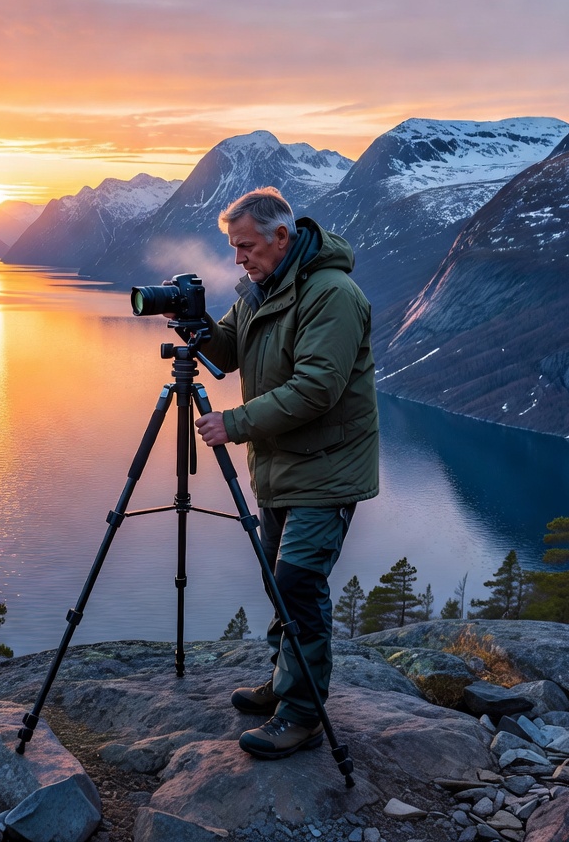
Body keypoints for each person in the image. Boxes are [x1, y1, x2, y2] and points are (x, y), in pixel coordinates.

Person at [190, 186, 379, 760]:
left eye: (245, 246)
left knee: (298, 582)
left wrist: (236, 423)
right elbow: (228, 350)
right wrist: (193, 323)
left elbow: (318, 388)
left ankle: (301, 715)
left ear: (281, 236)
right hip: (280, 465)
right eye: (232, 248)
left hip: (326, 467)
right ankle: (282, 682)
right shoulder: (260, 291)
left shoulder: (332, 294)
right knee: (280, 580)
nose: (238, 259)